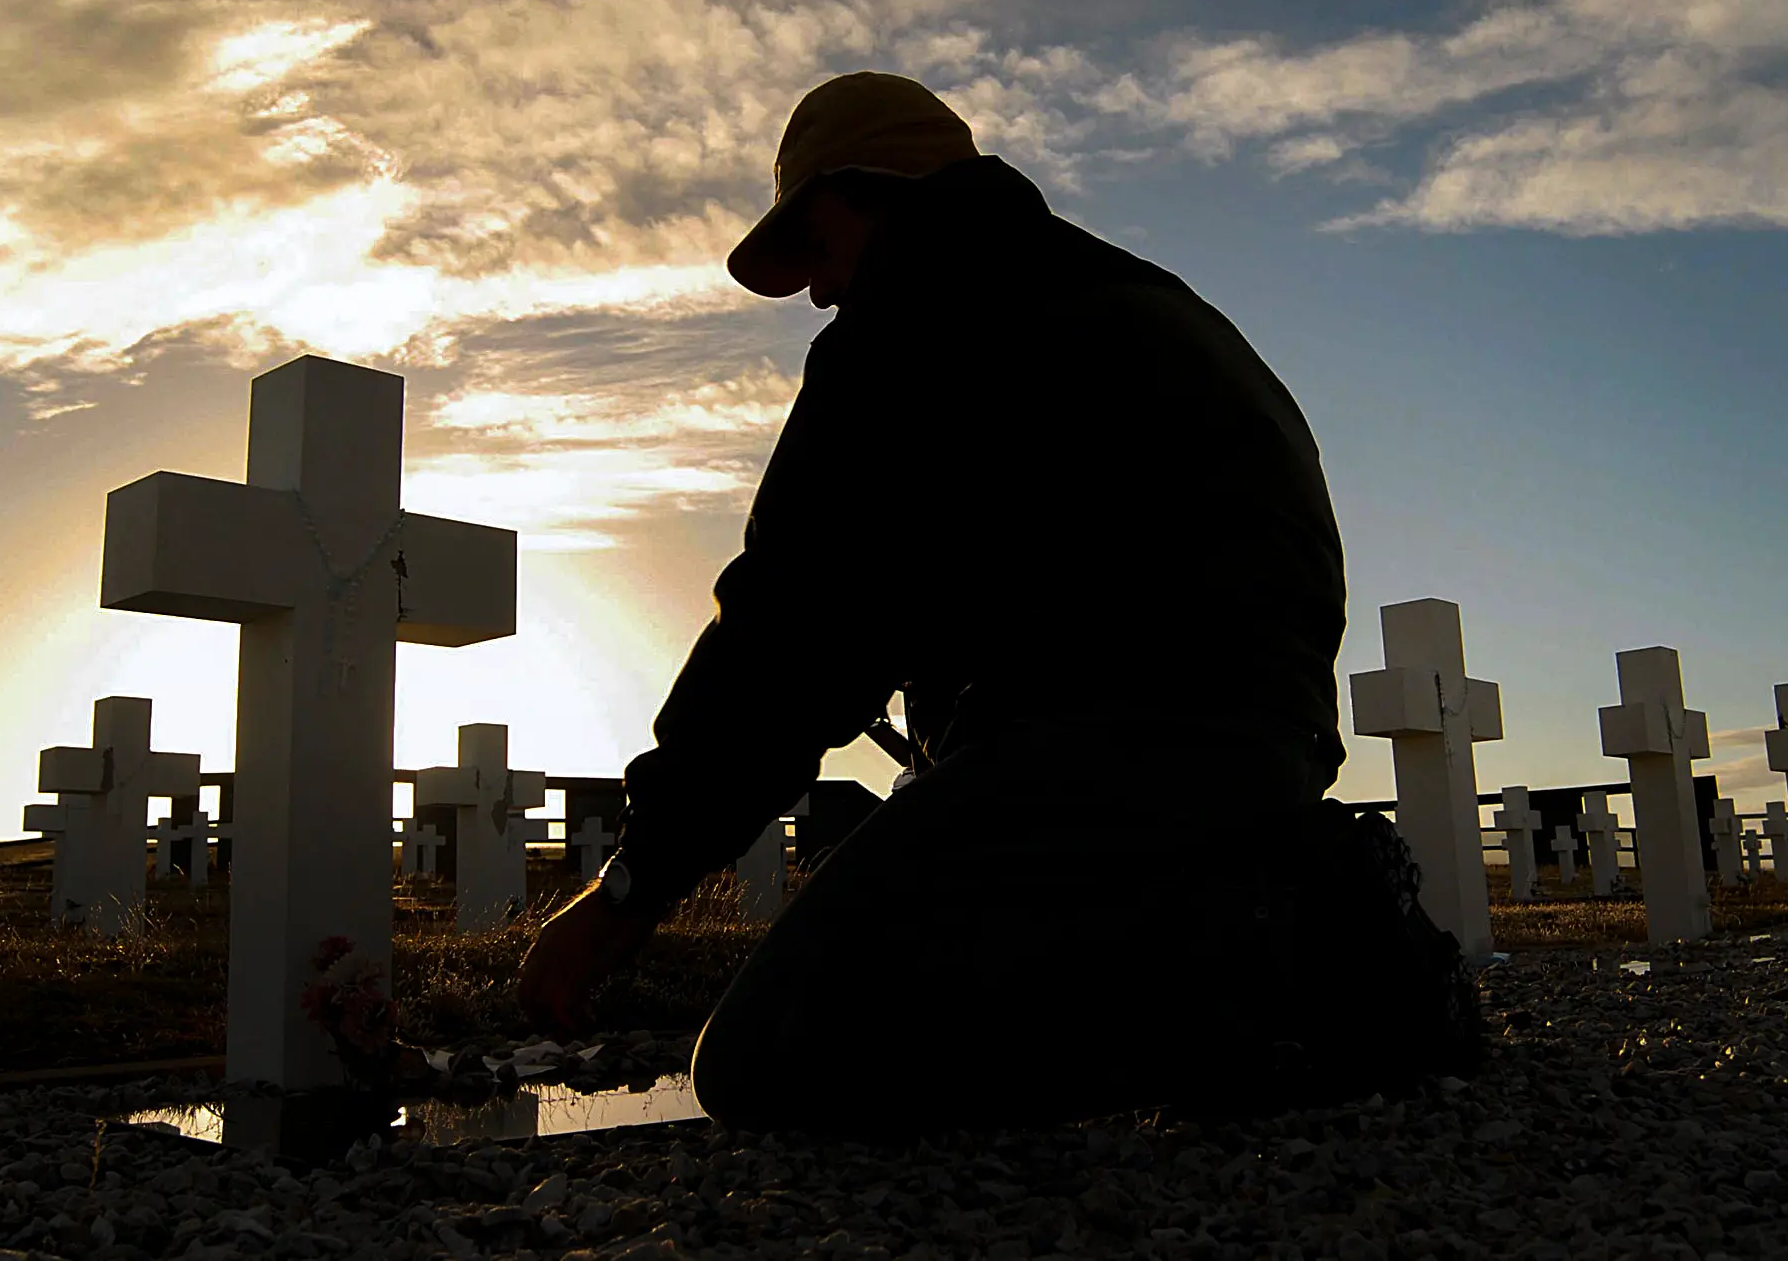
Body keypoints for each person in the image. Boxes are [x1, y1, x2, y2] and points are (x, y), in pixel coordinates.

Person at [518, 71, 1479, 1137]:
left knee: (767, 1065)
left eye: (811, 243)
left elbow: (792, 631)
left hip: (1087, 764)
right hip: (1268, 756)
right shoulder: (1148, 303)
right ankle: (1276, 911)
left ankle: (1279, 989)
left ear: (866, 189)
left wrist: (630, 889)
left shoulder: (917, 320)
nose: (816, 293)